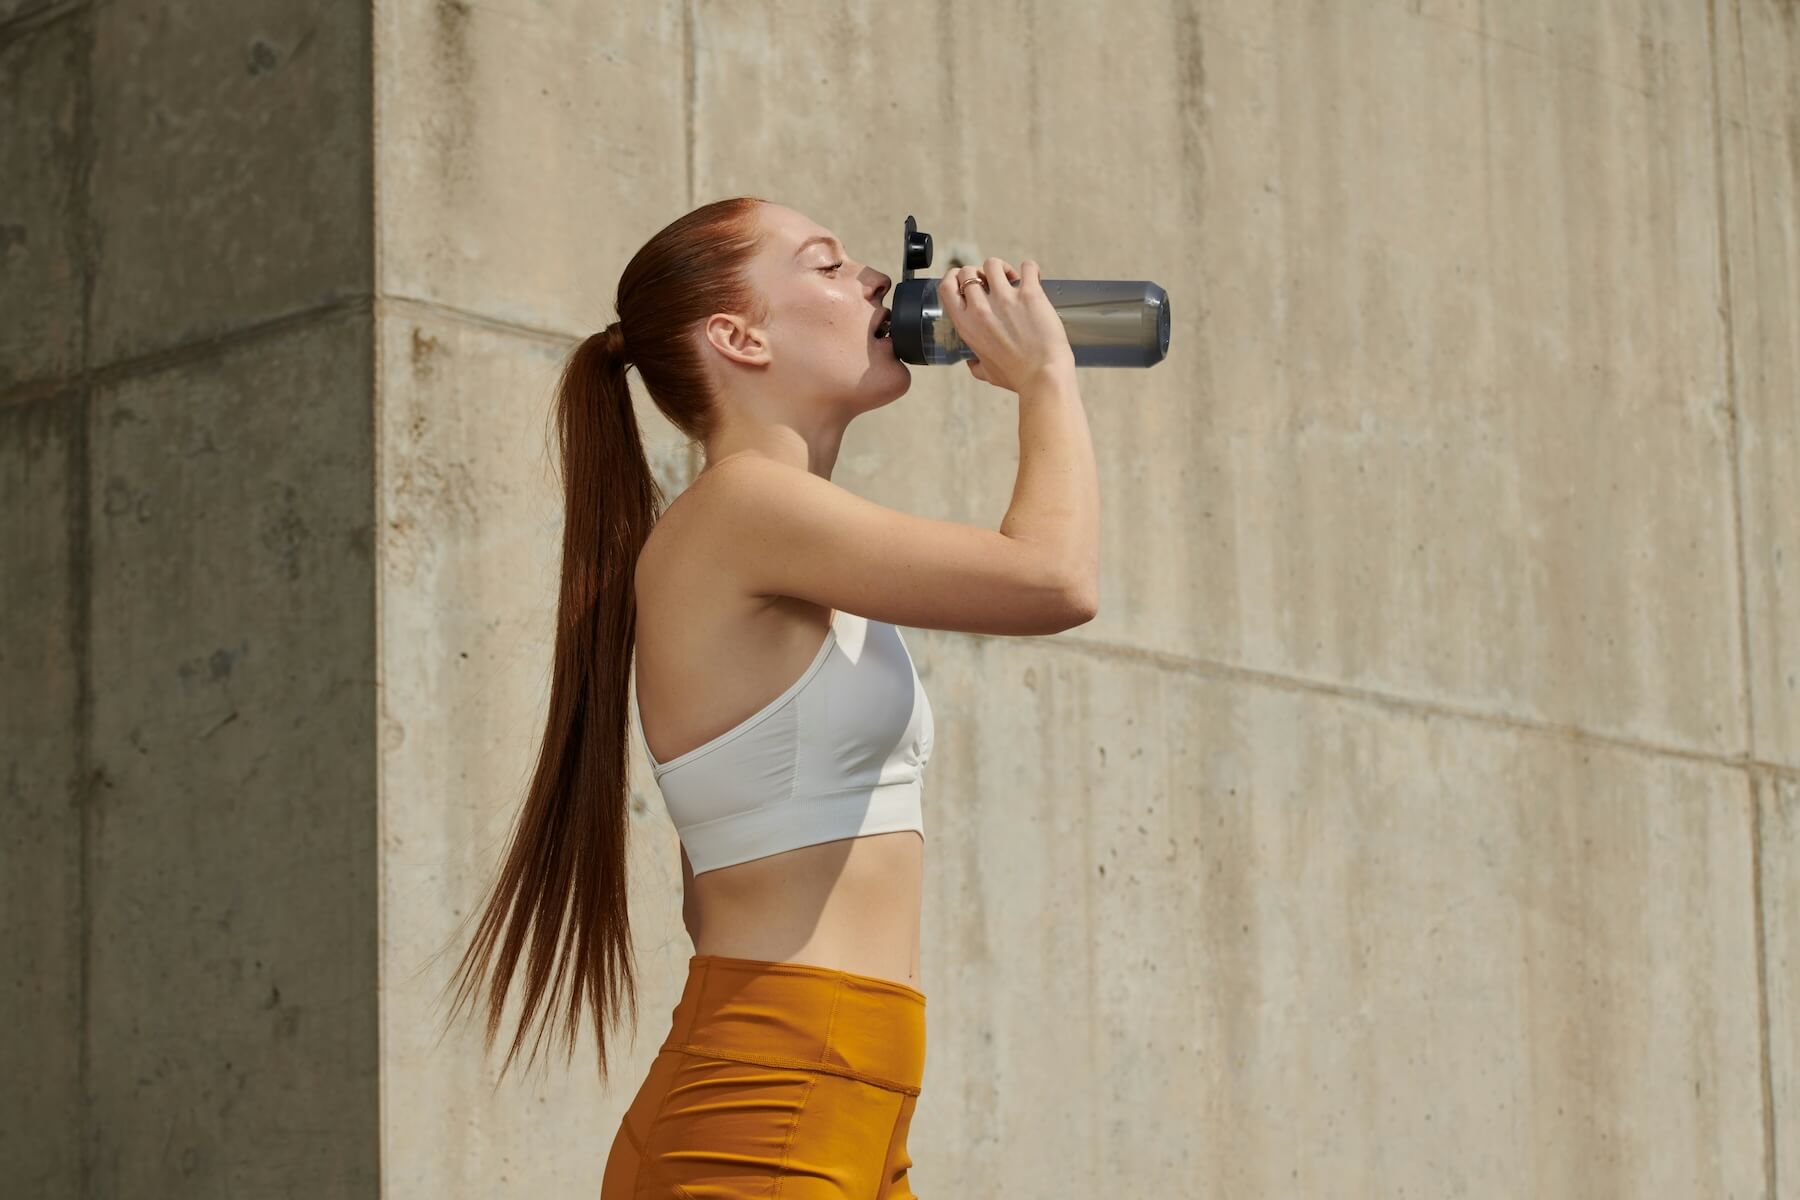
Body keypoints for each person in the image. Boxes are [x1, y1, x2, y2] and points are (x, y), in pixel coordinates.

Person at [437, 196, 1100, 1197]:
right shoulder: (746, 508)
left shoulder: (782, 535)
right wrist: (1047, 381)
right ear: (739, 338)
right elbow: (1056, 580)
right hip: (768, 1113)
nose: (875, 278)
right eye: (829, 266)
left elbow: (722, 886)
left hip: (836, 1105)